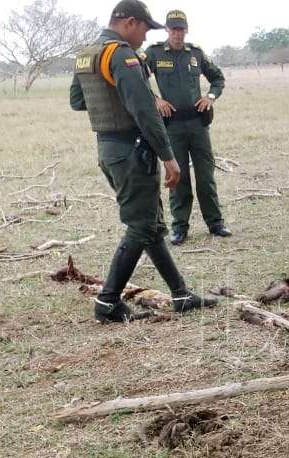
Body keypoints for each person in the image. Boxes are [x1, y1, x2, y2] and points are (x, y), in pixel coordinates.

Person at [69, 0, 216, 323]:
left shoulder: (87, 54)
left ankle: (180, 293)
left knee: (150, 225)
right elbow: (145, 110)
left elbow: (77, 101)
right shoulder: (121, 54)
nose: (144, 38)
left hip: (108, 149)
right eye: (144, 29)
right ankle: (107, 302)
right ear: (129, 22)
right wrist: (169, 157)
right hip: (133, 151)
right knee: (140, 226)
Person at [143, 10, 231, 245]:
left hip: (198, 125)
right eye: (173, 29)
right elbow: (137, 80)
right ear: (167, 30)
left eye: (181, 29)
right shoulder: (154, 53)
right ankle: (179, 228)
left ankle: (216, 224)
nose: (178, 33)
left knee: (206, 177)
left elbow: (218, 78)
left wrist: (210, 97)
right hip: (172, 127)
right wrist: (156, 100)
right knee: (178, 178)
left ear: (186, 30)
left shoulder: (196, 54)